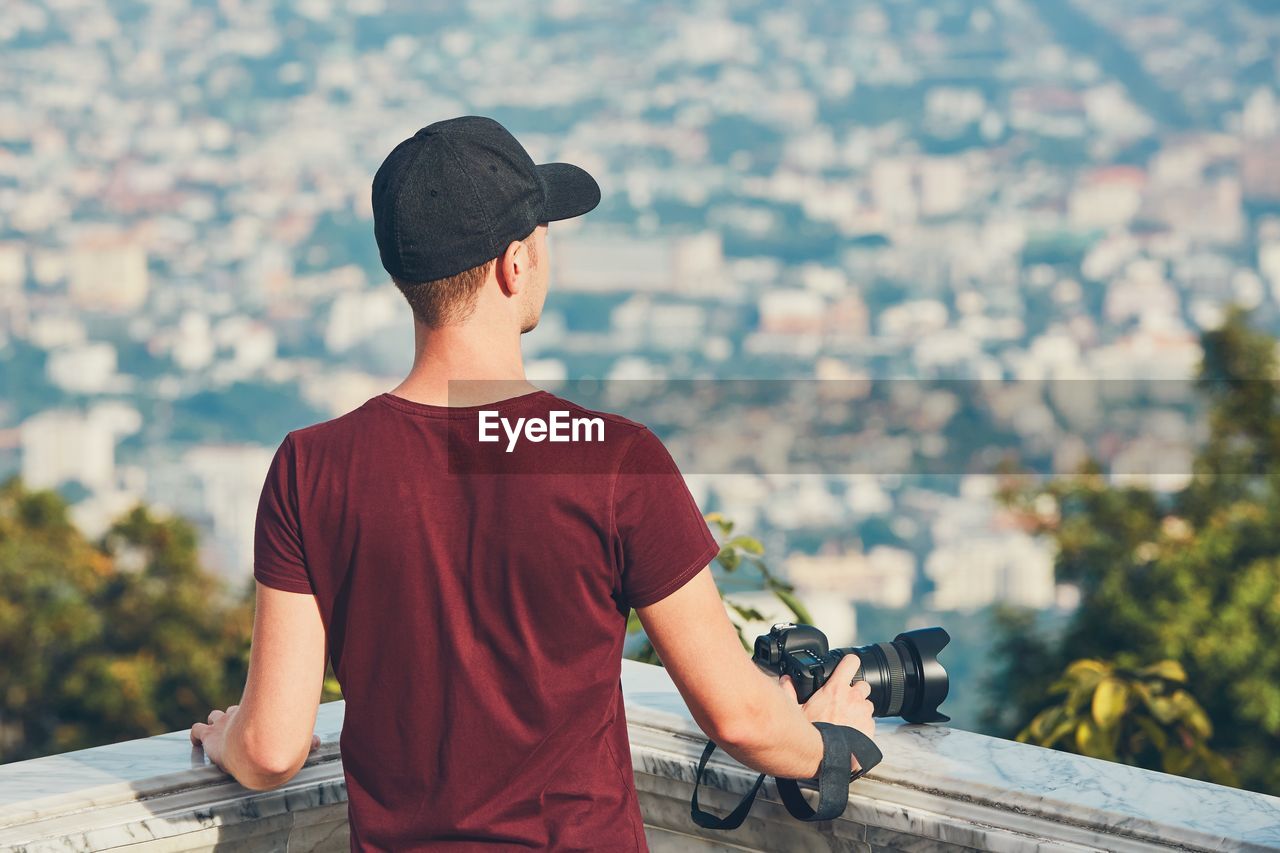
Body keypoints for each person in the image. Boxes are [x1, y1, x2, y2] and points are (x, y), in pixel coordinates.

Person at [190, 115, 876, 851]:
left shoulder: (311, 464)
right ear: (514, 265)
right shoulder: (612, 458)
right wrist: (834, 746)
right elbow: (738, 714)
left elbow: (269, 749)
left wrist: (229, 737)